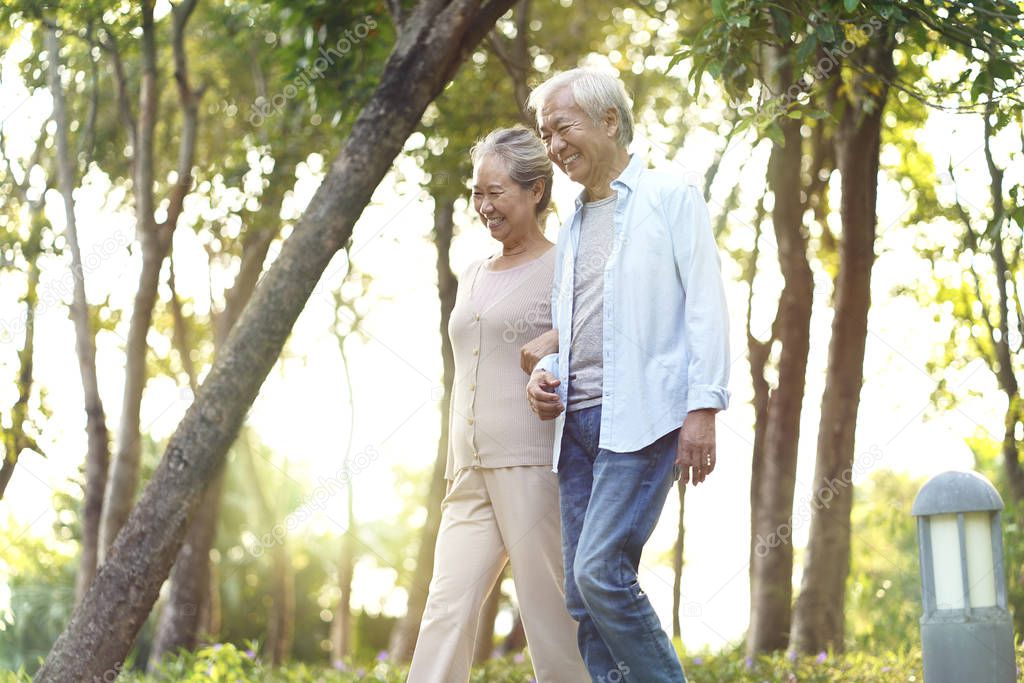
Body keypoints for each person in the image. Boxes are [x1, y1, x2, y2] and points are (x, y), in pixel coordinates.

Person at [523, 69, 731, 682]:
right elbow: (580, 323)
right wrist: (548, 372)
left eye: (564, 129)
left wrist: (703, 408)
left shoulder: (670, 197)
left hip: (641, 419)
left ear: (609, 121)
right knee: (583, 599)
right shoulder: (574, 223)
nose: (554, 147)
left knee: (599, 573)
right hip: (578, 424)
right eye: (546, 135)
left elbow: (705, 305)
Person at [407, 127, 588, 683]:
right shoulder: (473, 273)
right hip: (467, 469)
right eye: (477, 192)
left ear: (535, 190)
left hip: (533, 466)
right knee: (445, 611)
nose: (484, 206)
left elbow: (596, 333)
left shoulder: (565, 267)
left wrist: (554, 344)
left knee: (549, 619)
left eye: (496, 192)